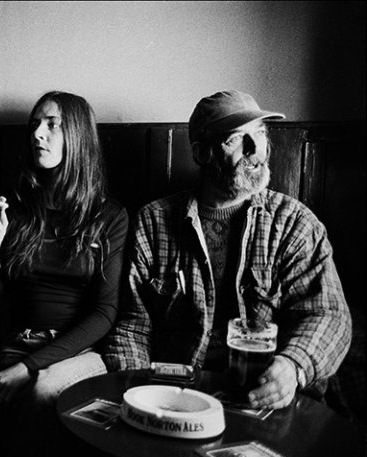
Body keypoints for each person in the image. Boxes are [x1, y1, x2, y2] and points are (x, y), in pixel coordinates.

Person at [101, 90, 352, 410]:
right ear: (201, 152)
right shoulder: (154, 221)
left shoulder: (294, 223)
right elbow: (132, 326)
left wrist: (292, 367)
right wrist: (138, 397)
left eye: (260, 133)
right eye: (236, 138)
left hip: (265, 397)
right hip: (178, 395)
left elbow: (329, 315)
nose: (255, 149)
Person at [0, 90, 128, 457]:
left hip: (78, 351)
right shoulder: (19, 211)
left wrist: (29, 368)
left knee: (41, 390)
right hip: (17, 344)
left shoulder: (109, 216)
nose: (38, 134)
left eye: (52, 124)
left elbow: (104, 314)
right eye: (35, 125)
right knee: (7, 409)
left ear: (77, 134)